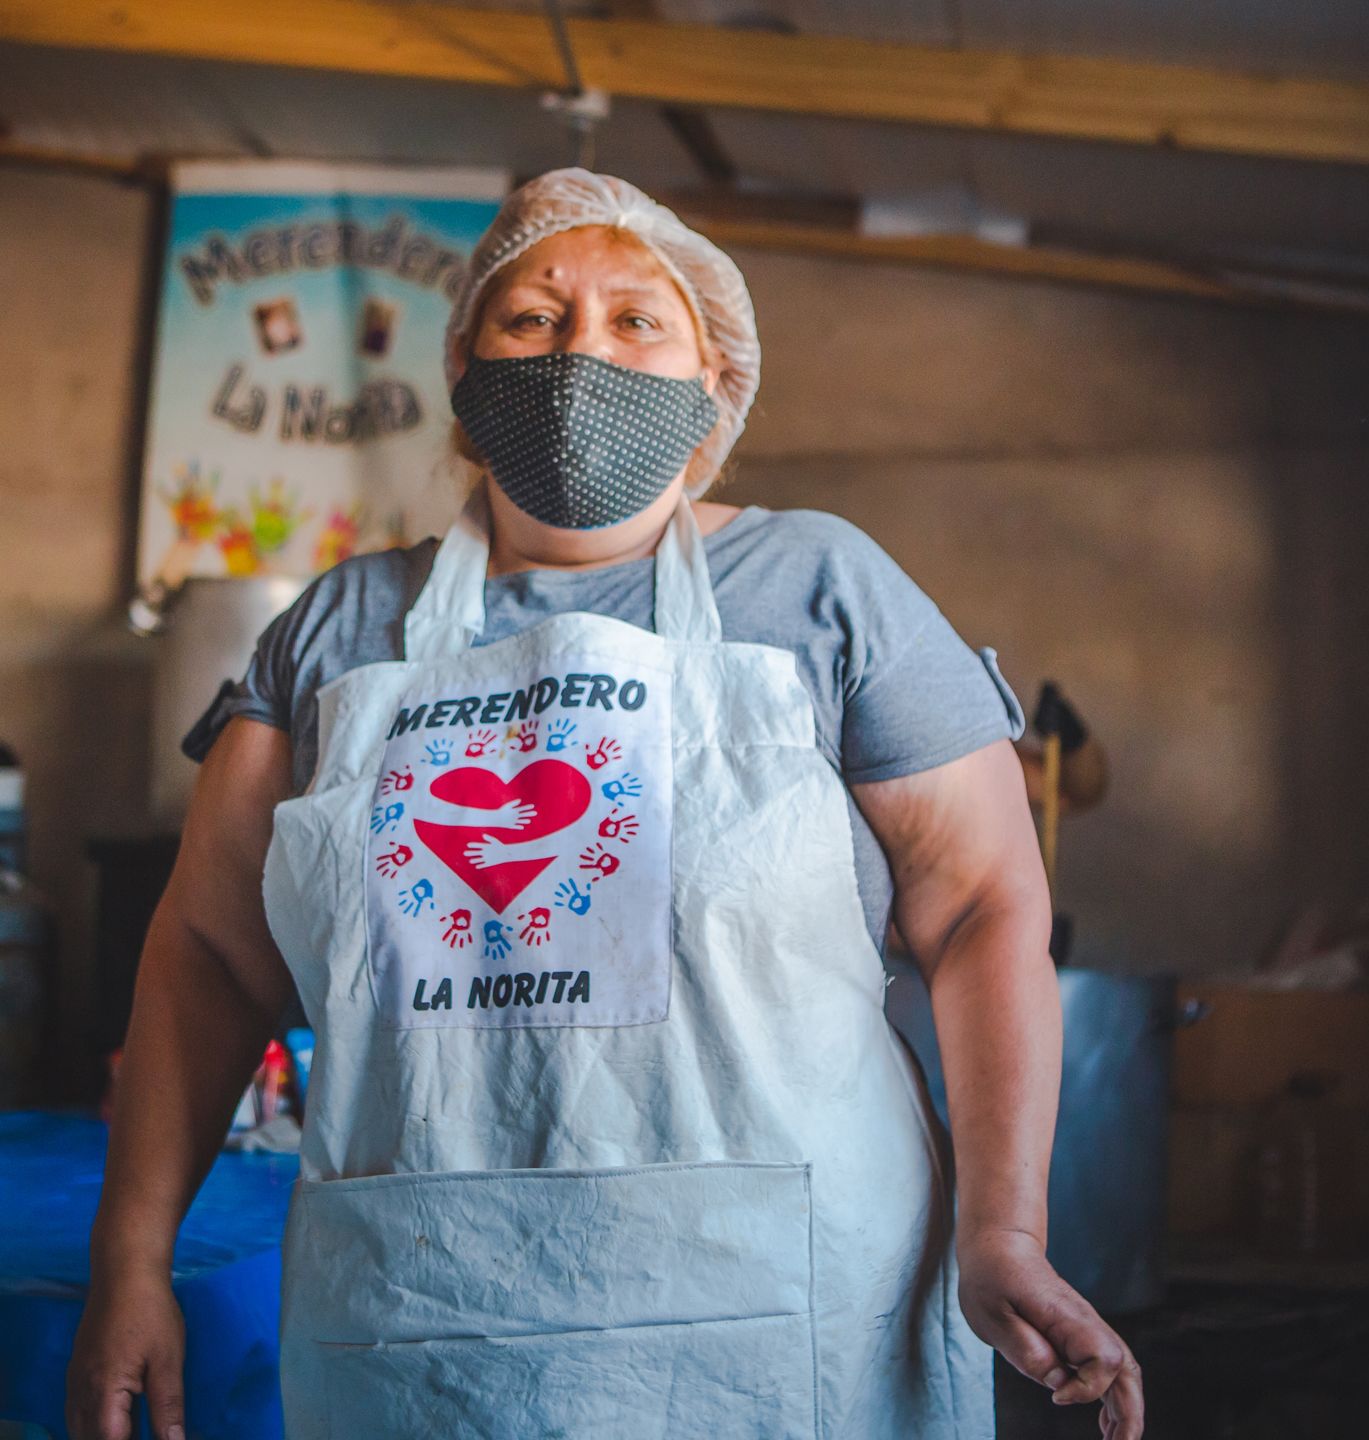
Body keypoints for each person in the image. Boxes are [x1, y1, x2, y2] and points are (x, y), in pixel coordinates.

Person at [68, 168, 1142, 1440]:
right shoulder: (337, 630)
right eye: (534, 318)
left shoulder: (819, 585)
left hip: (787, 1317)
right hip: (421, 1322)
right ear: (464, 365)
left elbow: (982, 907)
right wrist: (129, 1262)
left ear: (712, 385)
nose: (580, 350)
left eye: (638, 319)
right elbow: (206, 953)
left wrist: (1003, 1231)